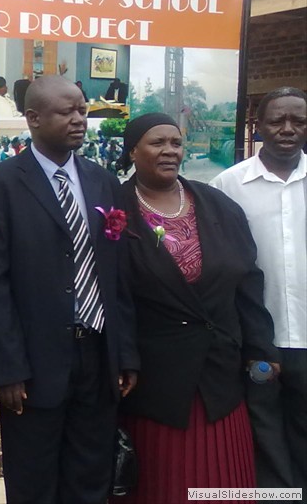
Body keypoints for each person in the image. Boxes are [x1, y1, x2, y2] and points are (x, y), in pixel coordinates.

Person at [0, 75, 139, 503]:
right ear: (32, 118)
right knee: (34, 480)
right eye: (66, 112)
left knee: (90, 477)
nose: (79, 120)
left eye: (82, 110)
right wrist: (7, 368)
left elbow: (116, 273)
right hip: (34, 364)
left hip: (97, 355)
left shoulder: (102, 182)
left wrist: (124, 353)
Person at [115, 113, 279, 503]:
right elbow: (111, 296)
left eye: (176, 142)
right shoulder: (113, 210)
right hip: (155, 384)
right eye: (157, 143)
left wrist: (260, 349)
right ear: (133, 151)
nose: (169, 150)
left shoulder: (218, 206)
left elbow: (247, 281)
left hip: (220, 378)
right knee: (165, 486)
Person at [210, 87, 307, 490]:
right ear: (257, 126)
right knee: (264, 438)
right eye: (276, 120)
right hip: (255, 341)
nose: (287, 129)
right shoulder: (227, 186)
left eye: (298, 121)